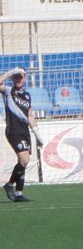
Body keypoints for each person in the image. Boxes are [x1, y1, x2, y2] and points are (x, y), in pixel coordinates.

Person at [3, 68, 32, 202]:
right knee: (24, 160)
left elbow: (30, 115)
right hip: (13, 131)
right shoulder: (9, 90)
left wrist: (36, 132)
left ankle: (19, 193)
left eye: (20, 77)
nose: (18, 80)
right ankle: (9, 185)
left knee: (24, 162)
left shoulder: (27, 96)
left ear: (24, 78)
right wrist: (11, 72)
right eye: (16, 77)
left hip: (25, 131)